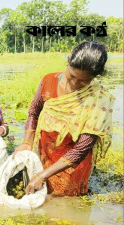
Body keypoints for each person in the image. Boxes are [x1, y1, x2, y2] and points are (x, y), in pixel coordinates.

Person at [14, 41, 114, 196]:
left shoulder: (98, 99)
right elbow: (34, 112)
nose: (74, 83)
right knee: (41, 194)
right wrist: (26, 142)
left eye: (83, 81)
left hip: (73, 163)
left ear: (94, 77)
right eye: (72, 75)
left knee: (65, 201)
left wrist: (42, 175)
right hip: (45, 151)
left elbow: (81, 149)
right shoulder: (48, 81)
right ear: (68, 62)